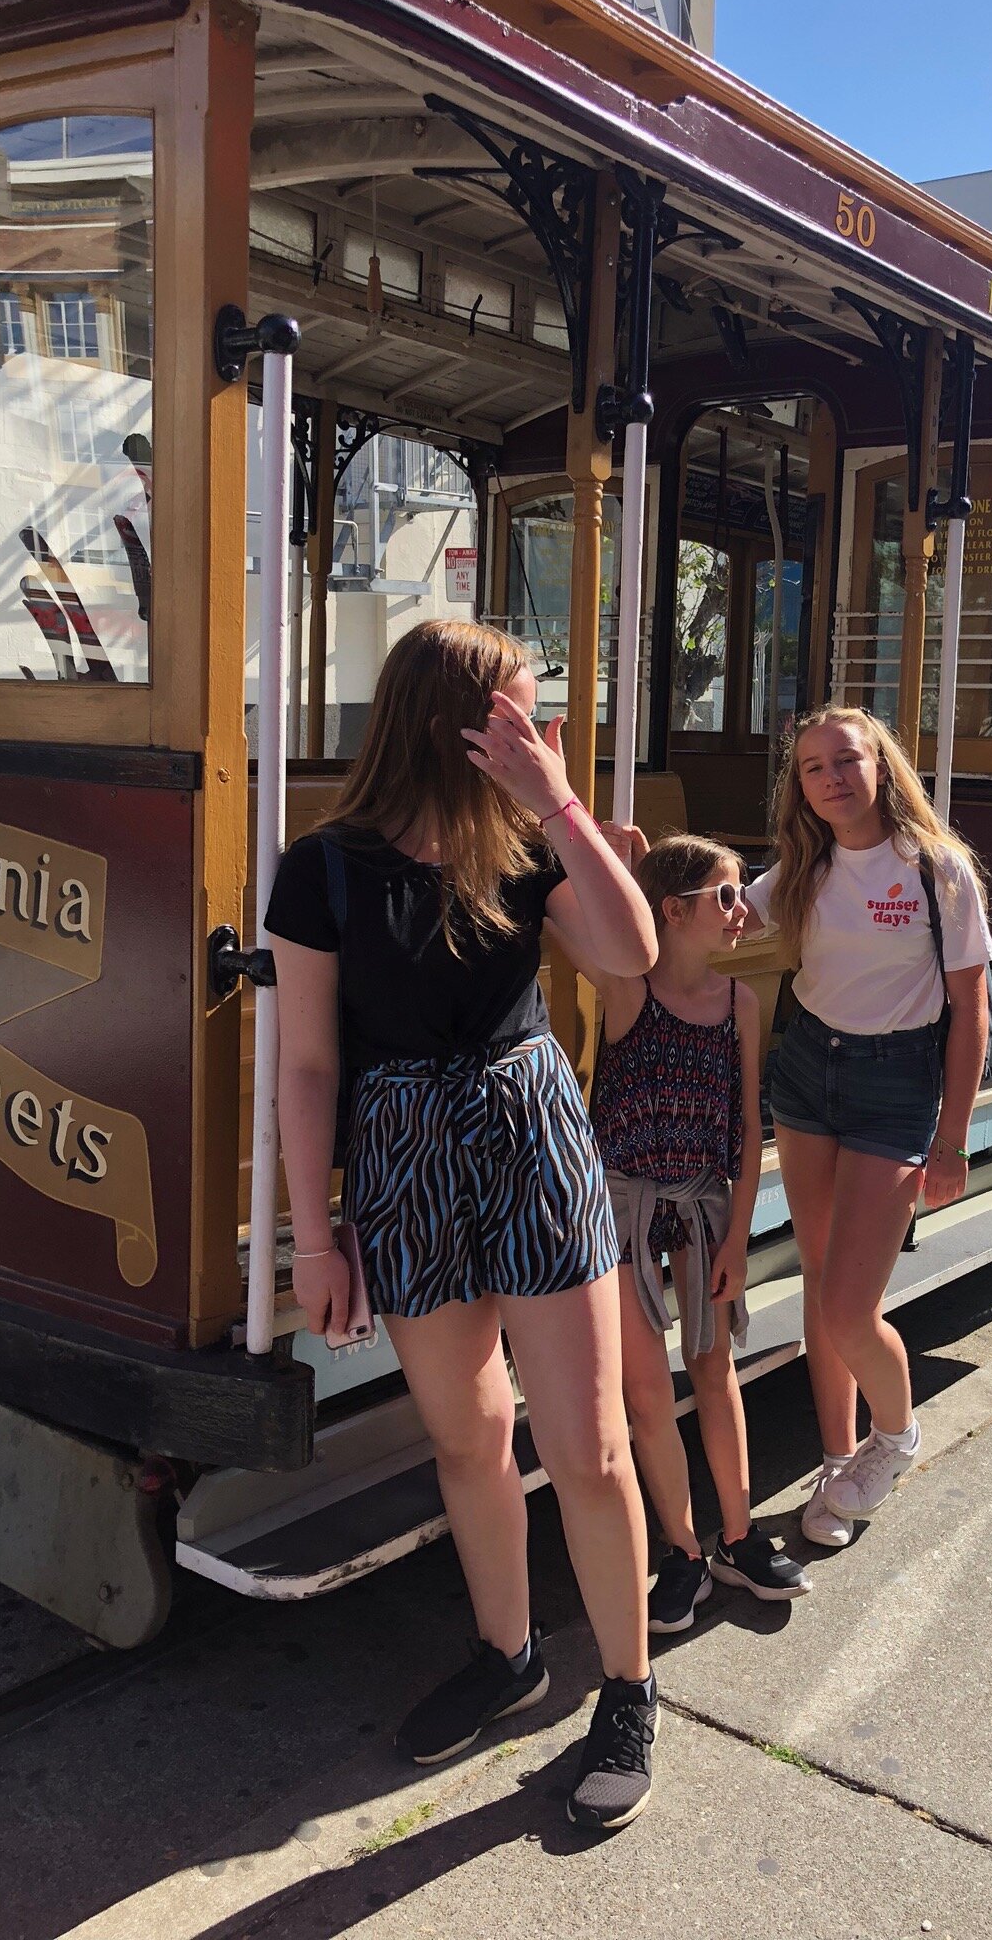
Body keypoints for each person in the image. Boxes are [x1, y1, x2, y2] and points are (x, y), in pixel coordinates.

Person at [266, 619, 661, 1834]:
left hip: (532, 1136)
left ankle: (631, 1691)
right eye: (520, 711)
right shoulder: (322, 867)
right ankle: (509, 1653)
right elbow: (309, 1066)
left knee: (587, 1446)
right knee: (468, 1434)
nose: (536, 730)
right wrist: (317, 1237)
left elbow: (633, 955)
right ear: (453, 717)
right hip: (402, 1155)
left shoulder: (527, 841)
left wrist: (563, 810)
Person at [742, 704, 992, 1547]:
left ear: (882, 766)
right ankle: (838, 1457)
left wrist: (953, 1138)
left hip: (896, 1085)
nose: (832, 779)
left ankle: (897, 1437)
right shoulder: (797, 873)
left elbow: (972, 1013)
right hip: (809, 1075)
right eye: (813, 768)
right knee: (820, 1284)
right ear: (800, 787)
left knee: (853, 1306)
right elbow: (717, 933)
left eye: (846, 761)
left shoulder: (937, 869)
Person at [581, 833, 811, 1632]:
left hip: (705, 1208)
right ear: (672, 913)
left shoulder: (740, 1004)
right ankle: (682, 1551)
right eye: (724, 895)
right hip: (626, 1215)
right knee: (648, 1393)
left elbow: (747, 1129)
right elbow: (577, 920)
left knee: (715, 1373)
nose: (742, 908)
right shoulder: (626, 991)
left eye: (741, 891)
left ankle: (738, 1536)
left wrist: (738, 1241)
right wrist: (613, 868)